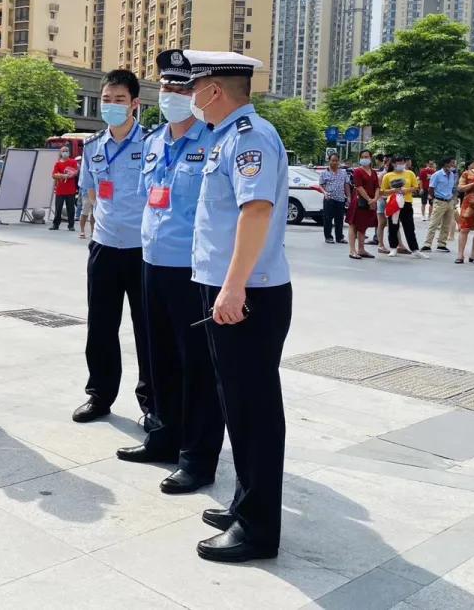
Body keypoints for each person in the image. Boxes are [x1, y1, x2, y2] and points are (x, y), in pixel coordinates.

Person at [188, 50, 291, 563]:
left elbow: (256, 212)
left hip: (248, 292)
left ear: (215, 90)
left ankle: (257, 531)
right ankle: (245, 503)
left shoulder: (252, 138)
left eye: (195, 85)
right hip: (230, 287)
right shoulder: (226, 137)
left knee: (254, 410)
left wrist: (234, 288)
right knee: (237, 403)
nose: (189, 94)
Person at [116, 51, 224, 496]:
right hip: (153, 261)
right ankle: (163, 436)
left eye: (181, 88)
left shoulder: (214, 140)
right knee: (157, 357)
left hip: (193, 268)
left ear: (196, 94)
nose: (172, 95)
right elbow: (149, 197)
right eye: (165, 87)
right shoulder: (155, 140)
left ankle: (197, 459)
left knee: (197, 366)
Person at [74, 69, 150, 423]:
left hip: (144, 250)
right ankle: (99, 395)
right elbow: (90, 191)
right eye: (106, 100)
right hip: (104, 247)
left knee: (147, 328)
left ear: (135, 104)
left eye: (119, 100)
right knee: (100, 326)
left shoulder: (153, 144)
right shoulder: (93, 147)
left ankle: (152, 402)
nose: (112, 106)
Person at [380, 155, 423, 259]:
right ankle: (393, 248)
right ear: (393, 164)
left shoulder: (410, 173)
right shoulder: (388, 176)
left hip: (406, 202)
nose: (400, 165)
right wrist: (393, 191)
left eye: (402, 162)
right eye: (398, 163)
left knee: (409, 227)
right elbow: (383, 191)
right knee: (393, 226)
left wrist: (406, 190)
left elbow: (416, 187)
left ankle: (415, 249)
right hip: (393, 203)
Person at [346, 150, 379, 260]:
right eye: (363, 156)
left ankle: (361, 249)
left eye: (367, 156)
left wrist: (374, 199)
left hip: (370, 201)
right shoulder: (357, 171)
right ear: (360, 158)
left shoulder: (373, 172)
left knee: (363, 225)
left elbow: (377, 187)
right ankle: (352, 250)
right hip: (359, 201)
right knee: (353, 225)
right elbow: (359, 187)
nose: (365, 158)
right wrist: (369, 199)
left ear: (370, 158)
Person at [422, 158, 457, 254]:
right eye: (452, 163)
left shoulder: (452, 175)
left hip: (449, 202)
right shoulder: (437, 175)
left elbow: (452, 188)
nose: (454, 165)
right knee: (434, 223)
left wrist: (454, 199)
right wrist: (434, 199)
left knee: (446, 224)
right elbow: (431, 188)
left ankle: (442, 244)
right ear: (446, 164)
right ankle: (427, 244)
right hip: (439, 201)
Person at [318, 154, 351, 245]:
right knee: (328, 218)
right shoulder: (324, 173)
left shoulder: (343, 172)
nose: (335, 162)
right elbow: (321, 185)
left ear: (339, 161)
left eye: (336, 160)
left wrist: (348, 197)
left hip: (340, 199)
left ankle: (339, 237)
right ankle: (328, 237)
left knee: (339, 219)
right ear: (329, 161)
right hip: (329, 198)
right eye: (333, 160)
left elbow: (346, 185)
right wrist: (324, 192)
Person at [50, 145, 80, 230]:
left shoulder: (73, 162)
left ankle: (71, 225)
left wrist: (67, 175)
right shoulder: (58, 163)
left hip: (70, 190)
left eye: (66, 151)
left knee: (70, 208)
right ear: (60, 153)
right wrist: (63, 175)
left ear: (69, 152)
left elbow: (74, 173)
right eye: (63, 151)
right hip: (60, 189)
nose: (65, 152)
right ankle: (55, 225)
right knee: (58, 208)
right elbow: (54, 175)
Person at [78, 167, 94, 240]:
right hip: (86, 191)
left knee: (94, 213)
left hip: (96, 192)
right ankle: (82, 231)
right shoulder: (85, 167)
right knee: (84, 212)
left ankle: (93, 232)